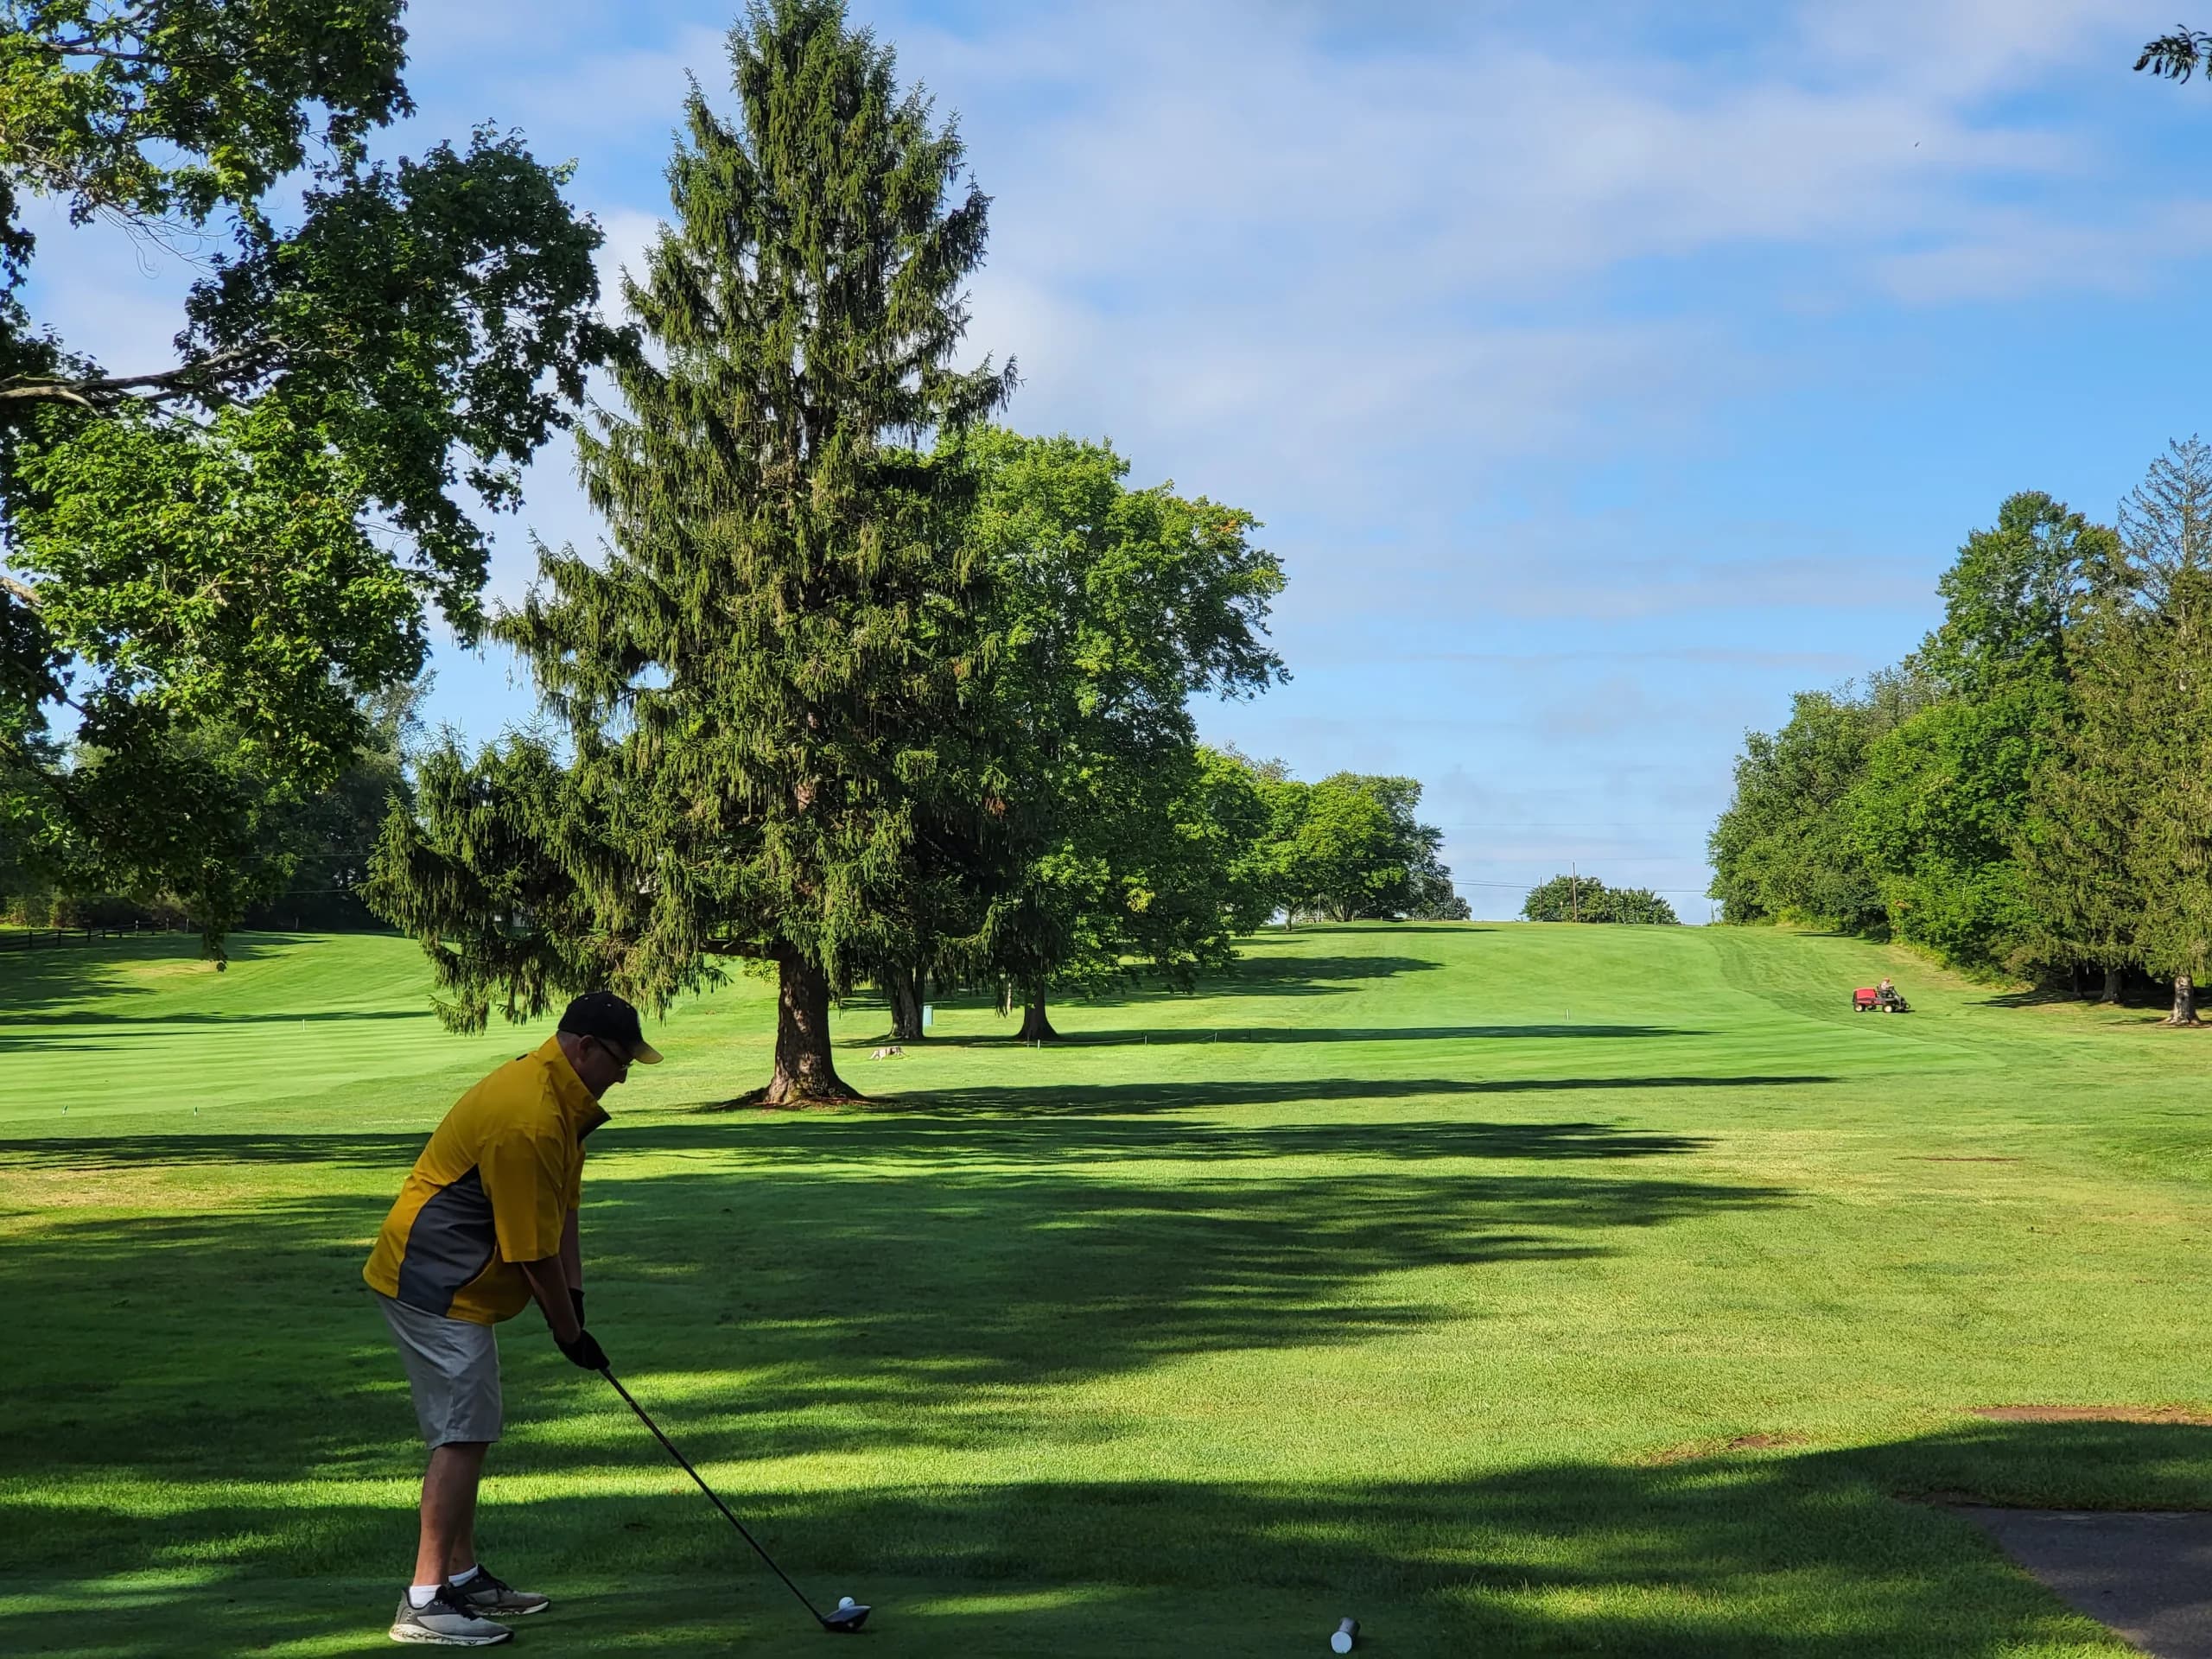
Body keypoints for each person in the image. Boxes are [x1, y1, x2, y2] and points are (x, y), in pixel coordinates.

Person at [362, 991, 662, 1647]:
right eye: (618, 1059)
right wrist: (566, 1333)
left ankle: (463, 1577)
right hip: (432, 1279)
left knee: (471, 1425)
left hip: (453, 1282)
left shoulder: (560, 1103)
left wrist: (576, 1304)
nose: (624, 1074)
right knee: (463, 1432)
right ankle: (424, 1599)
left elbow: (564, 1213)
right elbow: (531, 1252)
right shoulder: (529, 1115)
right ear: (582, 1047)